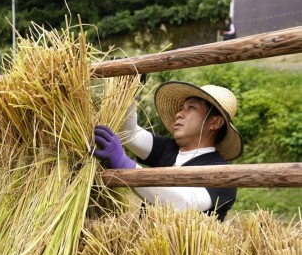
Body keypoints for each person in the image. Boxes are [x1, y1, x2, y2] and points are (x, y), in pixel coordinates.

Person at [93, 82, 244, 221]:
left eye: (191, 108)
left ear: (215, 122)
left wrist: (125, 165)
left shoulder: (223, 173)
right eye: (181, 108)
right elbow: (130, 134)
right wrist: (127, 91)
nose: (179, 114)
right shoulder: (168, 148)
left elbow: (181, 204)